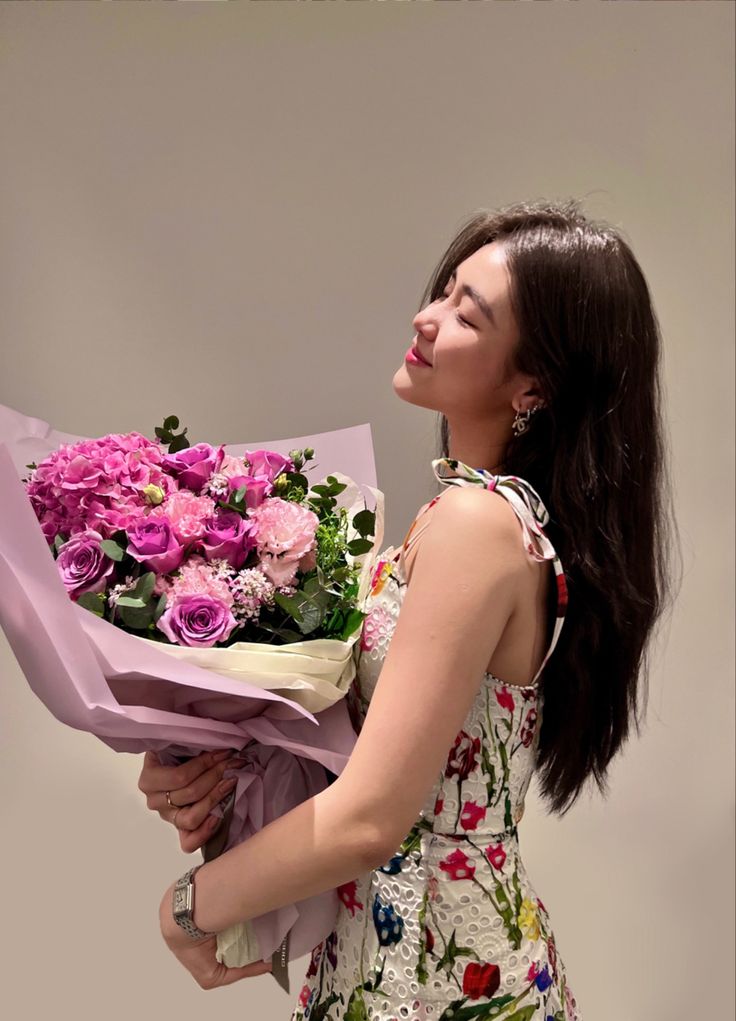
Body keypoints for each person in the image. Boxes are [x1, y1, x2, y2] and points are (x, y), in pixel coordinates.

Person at [138, 198, 680, 1018]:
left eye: (468, 311)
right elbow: (355, 764)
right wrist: (203, 766)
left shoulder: (479, 524)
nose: (426, 319)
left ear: (535, 383)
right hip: (404, 960)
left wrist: (190, 906)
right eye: (444, 290)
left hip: (436, 979)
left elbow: (371, 818)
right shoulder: (458, 521)